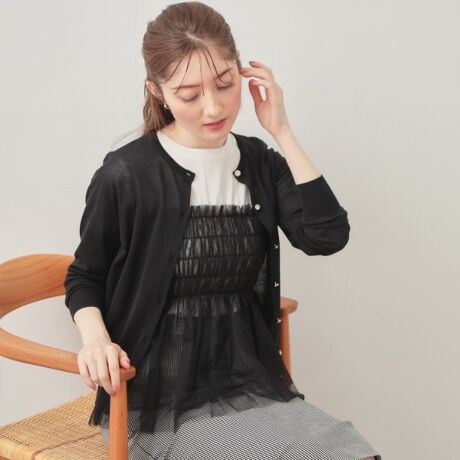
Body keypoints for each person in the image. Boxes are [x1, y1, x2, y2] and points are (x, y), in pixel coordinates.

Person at [64, 2, 381, 459]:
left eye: (225, 83)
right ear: (157, 92)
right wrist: (96, 340)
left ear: (241, 72)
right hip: (154, 404)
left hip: (250, 388)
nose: (213, 107)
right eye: (189, 95)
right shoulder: (127, 175)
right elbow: (85, 276)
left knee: (351, 452)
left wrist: (282, 131)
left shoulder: (259, 163)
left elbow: (326, 236)